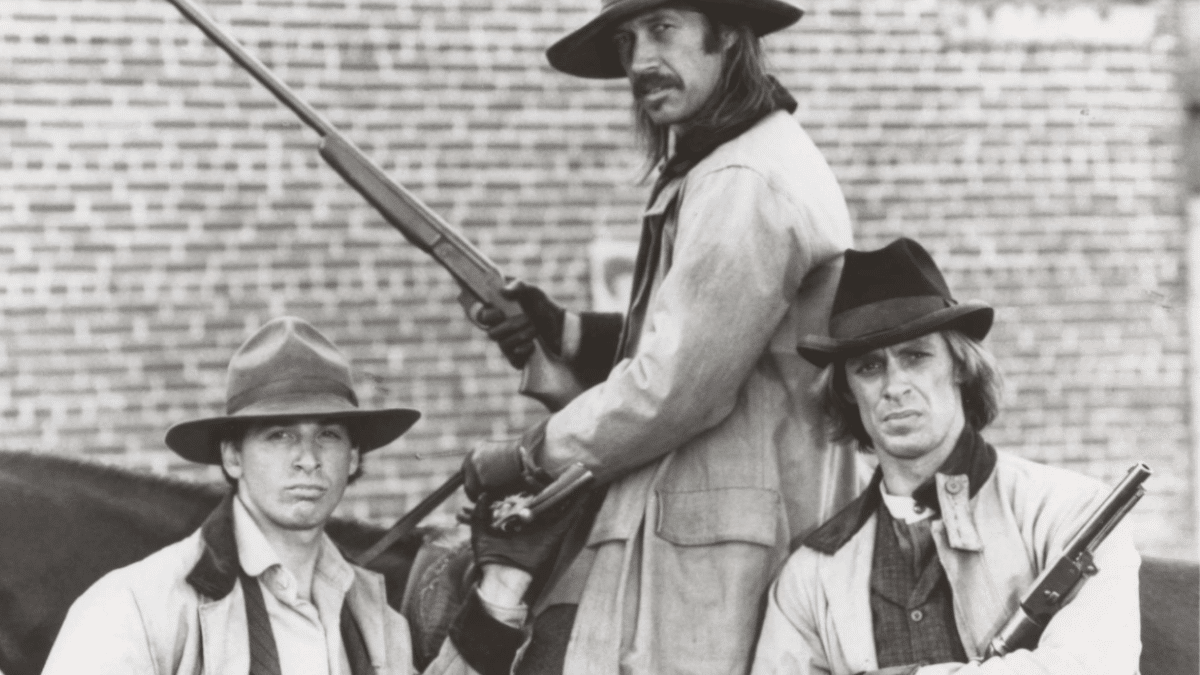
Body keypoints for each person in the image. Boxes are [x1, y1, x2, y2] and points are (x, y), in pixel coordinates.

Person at [461, 0, 860, 672]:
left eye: (664, 29)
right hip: (699, 539)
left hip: (720, 561)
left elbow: (678, 389)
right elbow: (706, 339)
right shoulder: (729, 164)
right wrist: (564, 330)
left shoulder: (742, 179)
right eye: (627, 39)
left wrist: (532, 456)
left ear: (728, 35)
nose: (641, 60)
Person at [41, 316, 565, 675]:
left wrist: (500, 587)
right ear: (232, 456)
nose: (308, 459)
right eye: (280, 435)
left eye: (328, 436)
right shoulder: (138, 605)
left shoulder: (375, 619)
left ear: (354, 458)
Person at [750, 238, 1142, 675]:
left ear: (959, 365)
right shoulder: (813, 574)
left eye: (915, 357)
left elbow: (1092, 668)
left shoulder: (1069, 512)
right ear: (847, 391)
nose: (894, 386)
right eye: (869, 367)